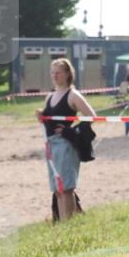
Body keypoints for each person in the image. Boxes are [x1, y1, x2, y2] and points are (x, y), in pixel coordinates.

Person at [40, 58, 96, 221]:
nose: (55, 76)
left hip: (65, 145)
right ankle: (62, 223)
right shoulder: (49, 97)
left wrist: (71, 132)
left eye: (58, 72)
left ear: (67, 74)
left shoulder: (73, 95)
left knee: (66, 187)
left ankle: (69, 224)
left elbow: (92, 116)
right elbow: (48, 119)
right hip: (51, 145)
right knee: (57, 189)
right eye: (52, 72)